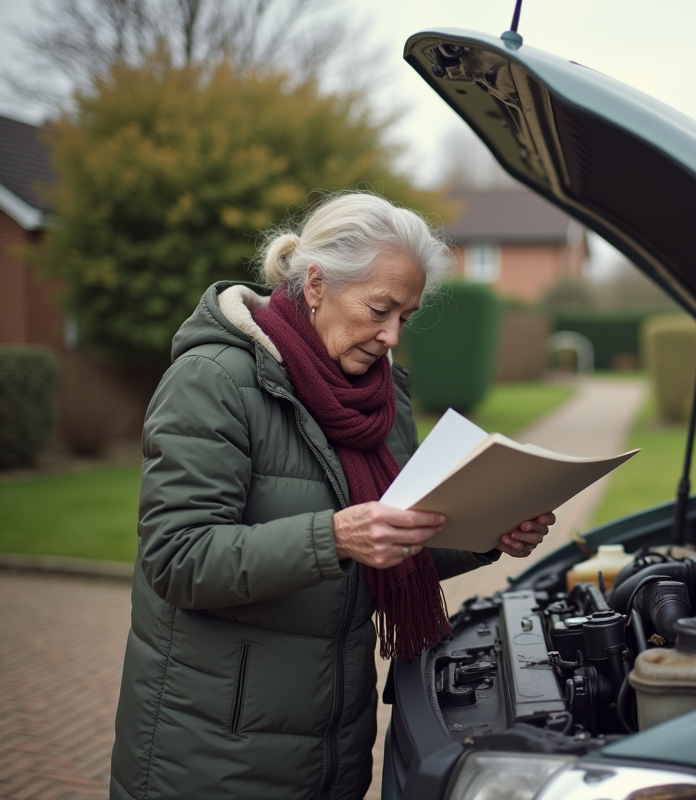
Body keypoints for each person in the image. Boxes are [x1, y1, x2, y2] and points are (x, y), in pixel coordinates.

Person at [109, 192, 553, 799]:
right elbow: (178, 558)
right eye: (379, 308)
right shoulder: (213, 381)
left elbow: (397, 539)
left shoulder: (383, 396)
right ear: (316, 283)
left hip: (335, 746)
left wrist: (488, 534)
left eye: (408, 316)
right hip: (216, 753)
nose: (392, 335)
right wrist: (335, 536)